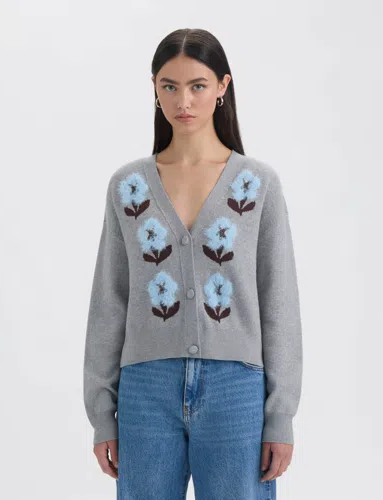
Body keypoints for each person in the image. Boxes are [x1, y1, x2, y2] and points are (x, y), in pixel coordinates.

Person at [83, 28, 303, 500]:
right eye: (170, 86)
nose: (183, 101)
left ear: (222, 86)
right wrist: (102, 412)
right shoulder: (128, 187)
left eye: (197, 85)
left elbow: (279, 301)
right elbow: (109, 301)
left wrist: (280, 414)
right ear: (154, 88)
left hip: (236, 390)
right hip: (145, 389)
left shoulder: (258, 184)